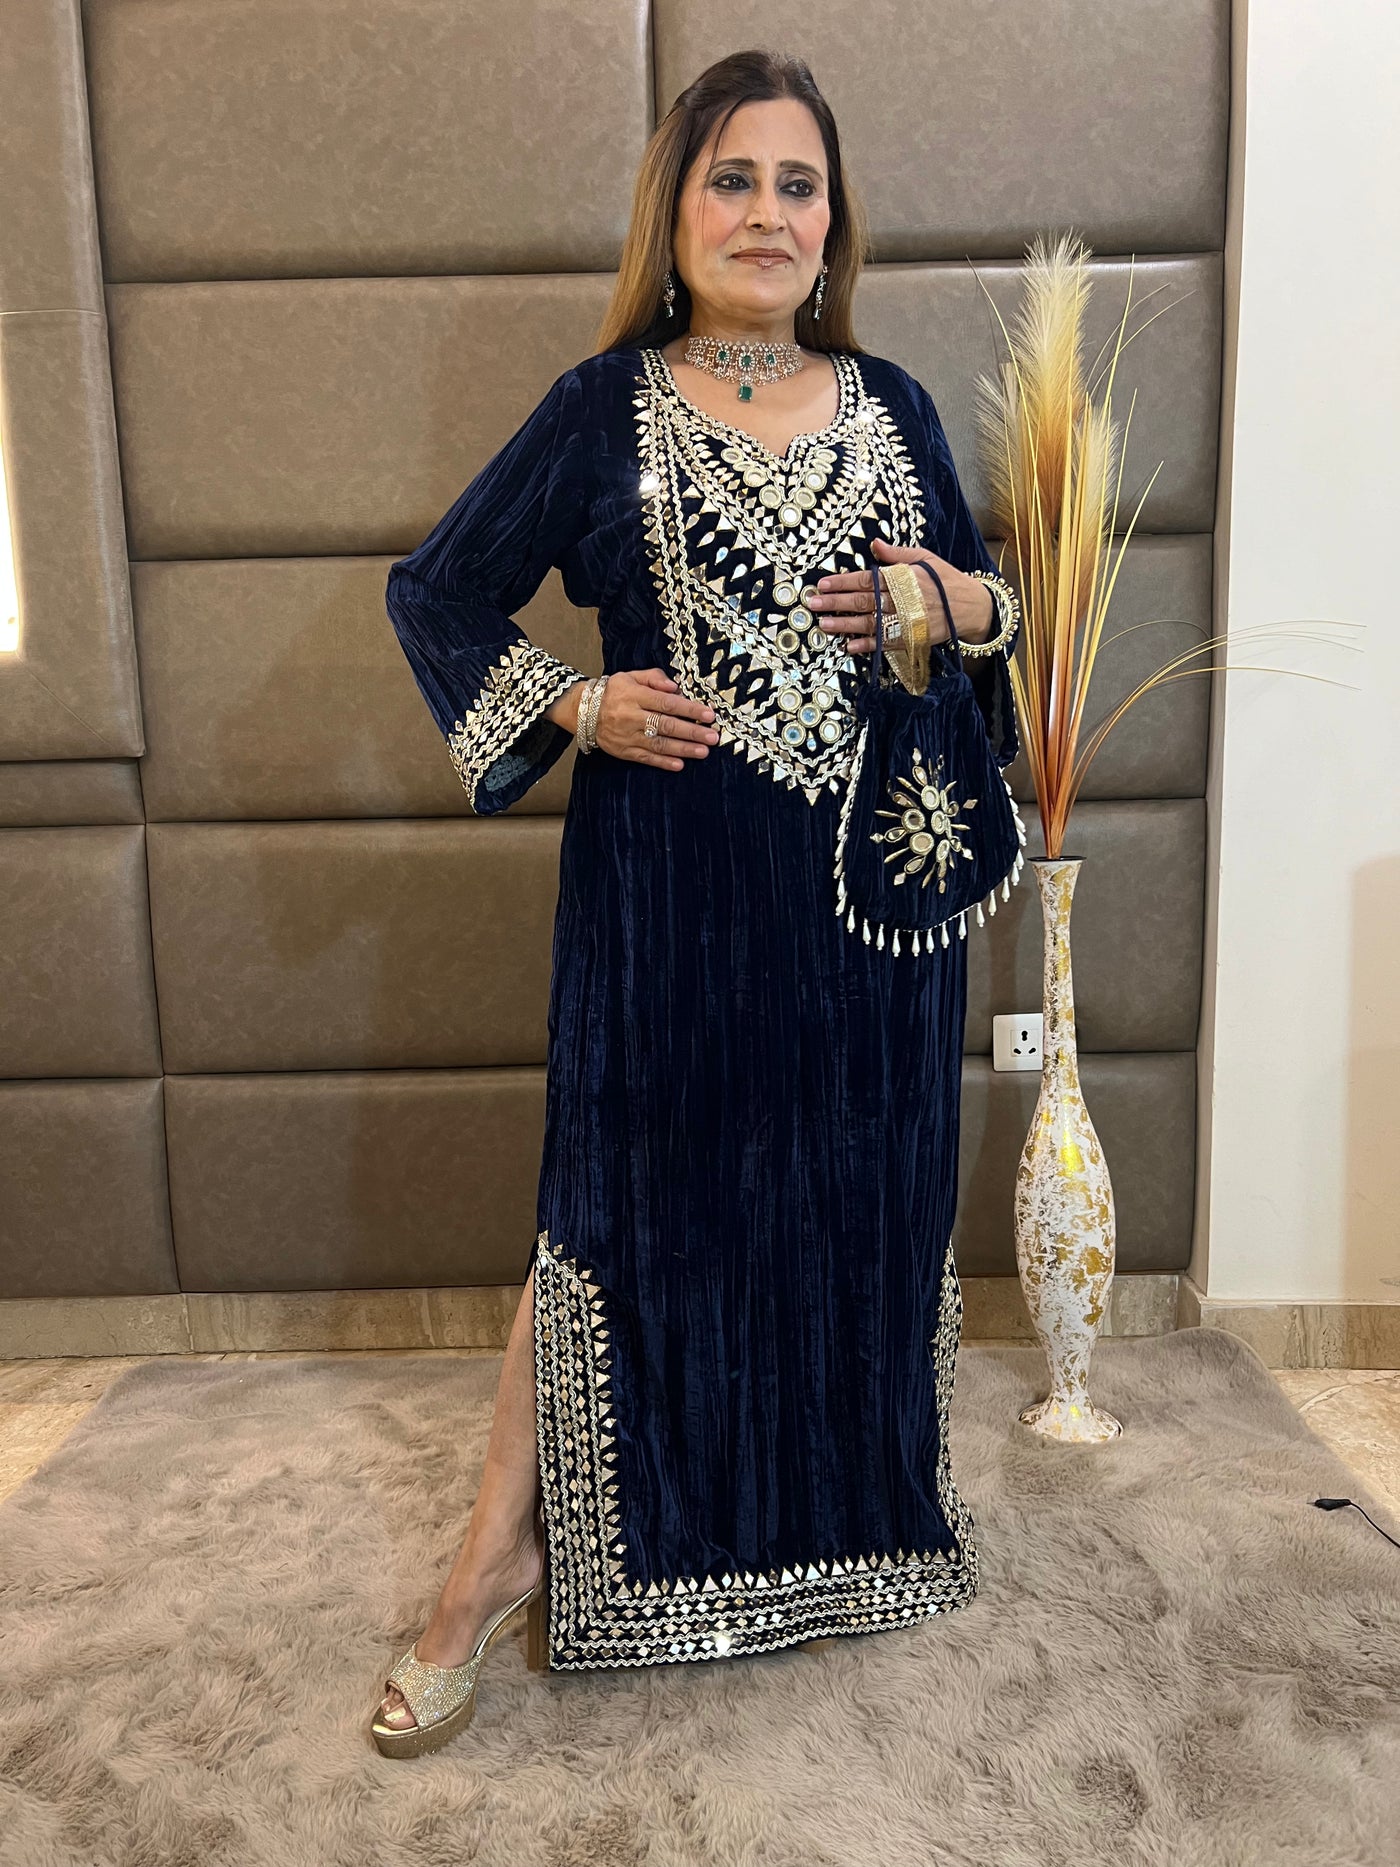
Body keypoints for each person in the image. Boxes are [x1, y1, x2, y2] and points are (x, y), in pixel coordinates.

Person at [371, 46, 1020, 1757]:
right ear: (674, 210)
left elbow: (988, 621)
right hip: (670, 904)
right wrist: (579, 703)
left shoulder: (894, 406)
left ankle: (841, 1536)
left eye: (799, 185)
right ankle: (497, 1556)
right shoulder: (602, 409)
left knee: (854, 1209)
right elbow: (436, 592)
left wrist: (956, 603)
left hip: (867, 926)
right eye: (733, 179)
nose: (767, 214)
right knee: (616, 1213)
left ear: (833, 221)